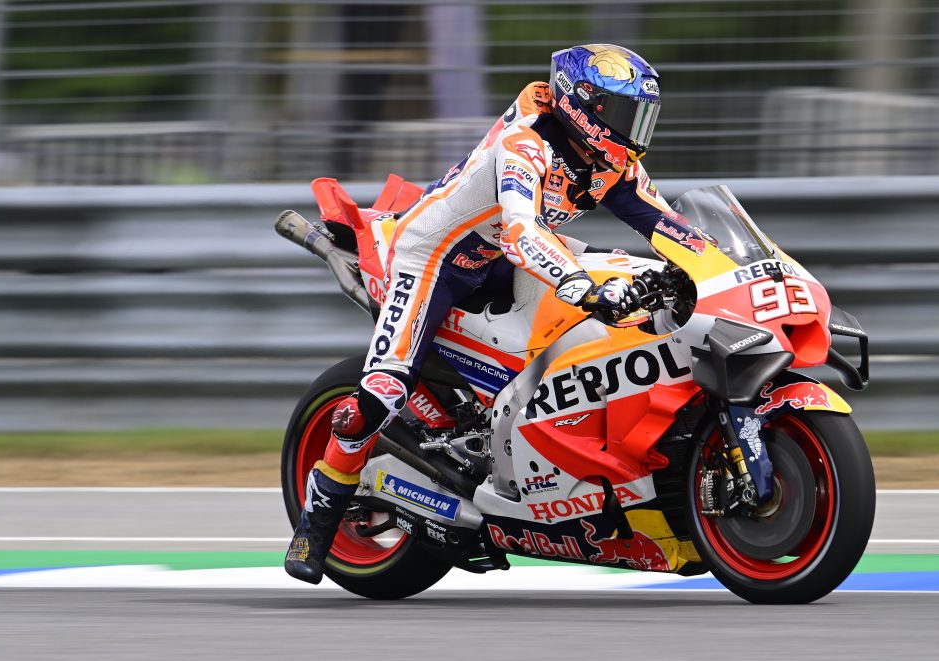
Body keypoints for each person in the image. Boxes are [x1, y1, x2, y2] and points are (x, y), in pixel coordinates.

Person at [285, 44, 674, 584]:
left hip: (491, 258)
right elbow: (521, 230)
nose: (635, 130)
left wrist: (739, 271)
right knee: (382, 393)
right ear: (585, 105)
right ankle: (316, 522)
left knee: (623, 288)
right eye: (626, 114)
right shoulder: (525, 142)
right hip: (431, 258)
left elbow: (671, 226)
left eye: (643, 117)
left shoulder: (610, 163)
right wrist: (581, 286)